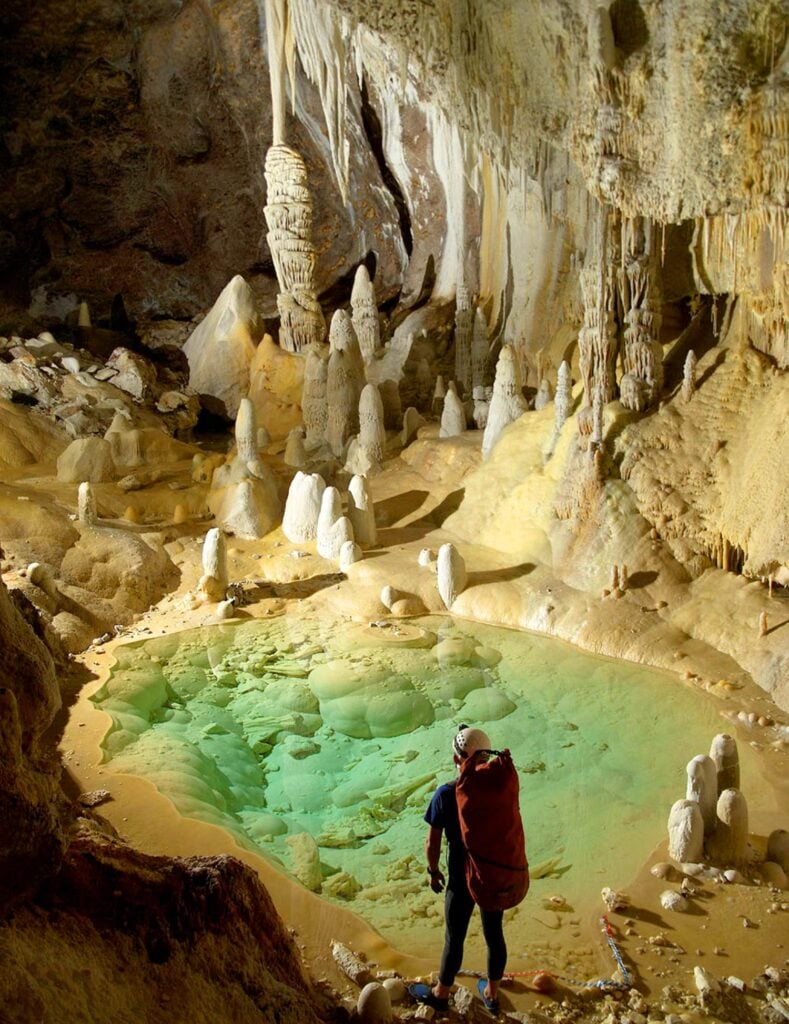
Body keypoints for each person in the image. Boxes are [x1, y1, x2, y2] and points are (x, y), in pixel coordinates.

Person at [408, 726, 507, 1015]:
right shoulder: (498, 787)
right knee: (494, 933)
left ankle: (441, 993)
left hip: (461, 878)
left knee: (455, 937)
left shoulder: (446, 794)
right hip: (491, 875)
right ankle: (492, 992)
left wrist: (433, 871)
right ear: (486, 759)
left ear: (456, 759)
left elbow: (432, 841)